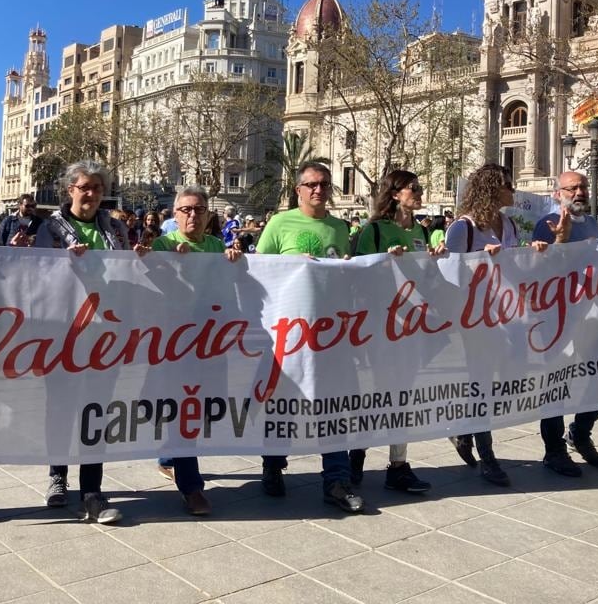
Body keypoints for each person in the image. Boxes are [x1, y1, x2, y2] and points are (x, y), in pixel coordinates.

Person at [255, 161, 363, 513]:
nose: (319, 190)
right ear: (298, 189)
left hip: (331, 333)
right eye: (312, 184)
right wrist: (291, 266)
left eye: (325, 184)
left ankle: (336, 479)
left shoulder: (339, 227)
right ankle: (273, 464)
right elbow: (259, 271)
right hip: (288, 334)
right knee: (283, 400)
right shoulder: (279, 223)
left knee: (334, 405)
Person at [35, 161, 136, 524]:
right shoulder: (50, 228)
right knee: (60, 407)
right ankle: (57, 476)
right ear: (70, 191)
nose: (91, 193)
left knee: (96, 411)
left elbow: (128, 270)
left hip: (104, 337)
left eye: (96, 187)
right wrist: (63, 263)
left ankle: (92, 490)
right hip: (62, 335)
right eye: (84, 187)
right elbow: (36, 273)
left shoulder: (115, 227)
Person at [141, 186, 243, 516]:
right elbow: (153, 287)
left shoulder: (216, 246)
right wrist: (166, 265)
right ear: (174, 214)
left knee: (196, 409)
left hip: (207, 342)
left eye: (199, 210)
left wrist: (234, 262)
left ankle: (170, 457)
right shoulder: (163, 245)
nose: (192, 216)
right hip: (173, 343)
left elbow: (226, 289)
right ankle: (192, 487)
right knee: (183, 408)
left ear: (209, 215)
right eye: (185, 210)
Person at [444, 164, 547, 487]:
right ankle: (488, 456)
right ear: (492, 188)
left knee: (506, 377)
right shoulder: (464, 228)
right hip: (475, 321)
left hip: (507, 317)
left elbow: (515, 266)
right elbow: (450, 276)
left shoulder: (508, 224)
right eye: (508, 185)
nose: (513, 191)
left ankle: (462, 427)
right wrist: (480, 262)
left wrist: (532, 254)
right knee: (482, 384)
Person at [349, 169, 436, 495]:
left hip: (412, 325)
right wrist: (383, 261)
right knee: (375, 395)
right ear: (396, 193)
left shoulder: (420, 231)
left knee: (404, 396)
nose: (420, 192)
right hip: (379, 326)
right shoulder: (374, 229)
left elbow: (425, 279)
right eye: (414, 187)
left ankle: (398, 464)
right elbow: (357, 272)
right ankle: (355, 458)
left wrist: (435, 263)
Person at [531, 171, 598, 476]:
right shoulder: (545, 223)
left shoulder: (591, 223)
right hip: (557, 317)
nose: (579, 192)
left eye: (583, 187)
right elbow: (541, 270)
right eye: (572, 188)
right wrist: (560, 240)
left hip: (592, 312)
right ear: (557, 193)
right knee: (556, 386)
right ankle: (554, 451)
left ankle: (580, 433)